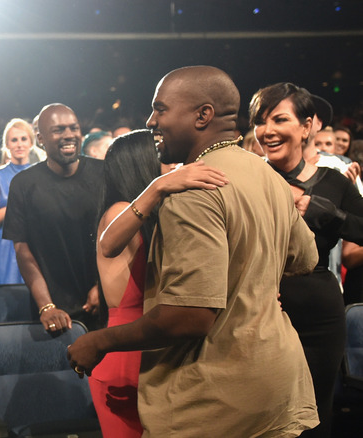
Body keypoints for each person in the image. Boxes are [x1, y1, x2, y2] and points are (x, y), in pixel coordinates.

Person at [68, 66, 319, 437]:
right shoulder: (266, 174)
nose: (152, 121)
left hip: (216, 399)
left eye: (161, 109)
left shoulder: (194, 188)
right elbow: (305, 258)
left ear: (202, 115)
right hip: (277, 385)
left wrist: (100, 340)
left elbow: (190, 316)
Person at [90, 129, 228, 437]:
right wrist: (159, 187)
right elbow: (108, 243)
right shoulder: (119, 211)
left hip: (151, 347)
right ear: (142, 165)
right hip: (126, 354)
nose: (171, 163)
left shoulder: (157, 214)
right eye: (160, 157)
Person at [250, 82, 363, 437]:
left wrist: (324, 211)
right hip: (258, 311)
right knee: (262, 416)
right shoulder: (247, 179)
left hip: (319, 315)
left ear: (307, 125)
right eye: (260, 121)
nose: (267, 130)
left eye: (279, 119)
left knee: (315, 414)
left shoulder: (333, 182)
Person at [4, 103, 106, 331]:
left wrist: (104, 285)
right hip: (54, 313)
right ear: (40, 138)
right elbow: (22, 249)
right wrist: (46, 306)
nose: (69, 135)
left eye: (74, 128)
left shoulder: (104, 173)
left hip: (103, 303)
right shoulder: (23, 184)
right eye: (59, 130)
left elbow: (123, 237)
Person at [0, 118, 33, 286]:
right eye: (14, 140)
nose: (19, 144)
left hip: (35, 246)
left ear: (31, 143)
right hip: (5, 249)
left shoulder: (41, 173)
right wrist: (20, 204)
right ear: (7, 145)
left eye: (23, 139)